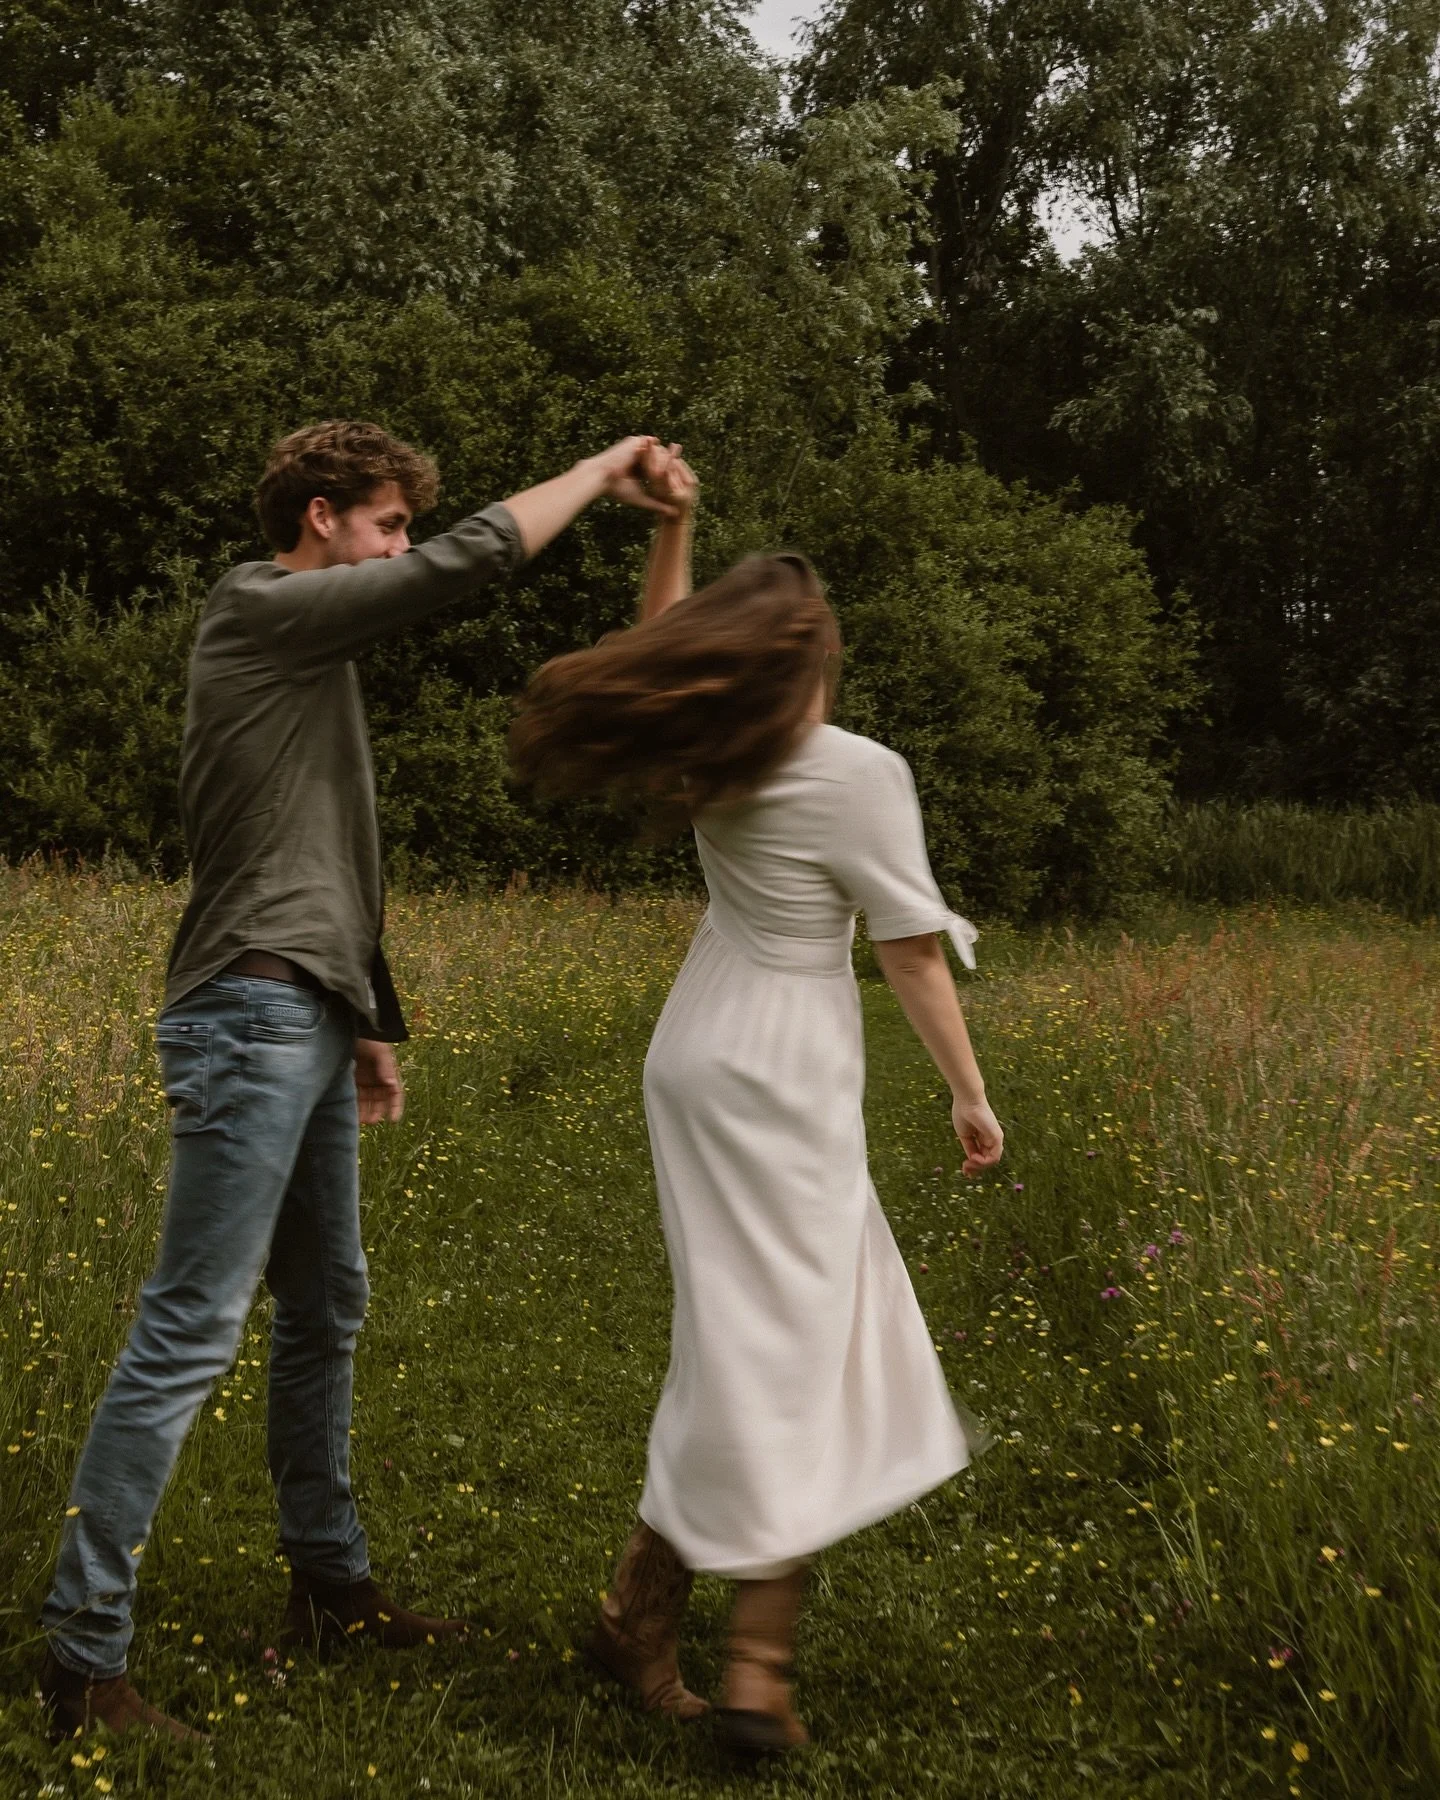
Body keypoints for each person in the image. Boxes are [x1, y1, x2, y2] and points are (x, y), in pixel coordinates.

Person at [39, 420, 678, 1741]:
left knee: (326, 1299)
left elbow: (316, 847)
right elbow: (466, 564)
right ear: (322, 516)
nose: (399, 543)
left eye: (402, 526)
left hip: (308, 1008)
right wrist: (604, 475)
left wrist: (365, 1014)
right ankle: (81, 1655)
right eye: (386, 521)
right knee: (188, 1329)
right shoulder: (259, 606)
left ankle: (330, 1587)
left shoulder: (305, 658)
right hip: (250, 1015)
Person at [509, 459, 1005, 1754]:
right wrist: (967, 1092)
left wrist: (675, 529)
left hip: (700, 1042)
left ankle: (639, 1614)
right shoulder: (856, 771)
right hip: (781, 1062)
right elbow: (905, 947)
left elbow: (662, 652)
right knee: (792, 1348)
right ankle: (756, 1674)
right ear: (814, 656)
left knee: (751, 1336)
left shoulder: (713, 742)